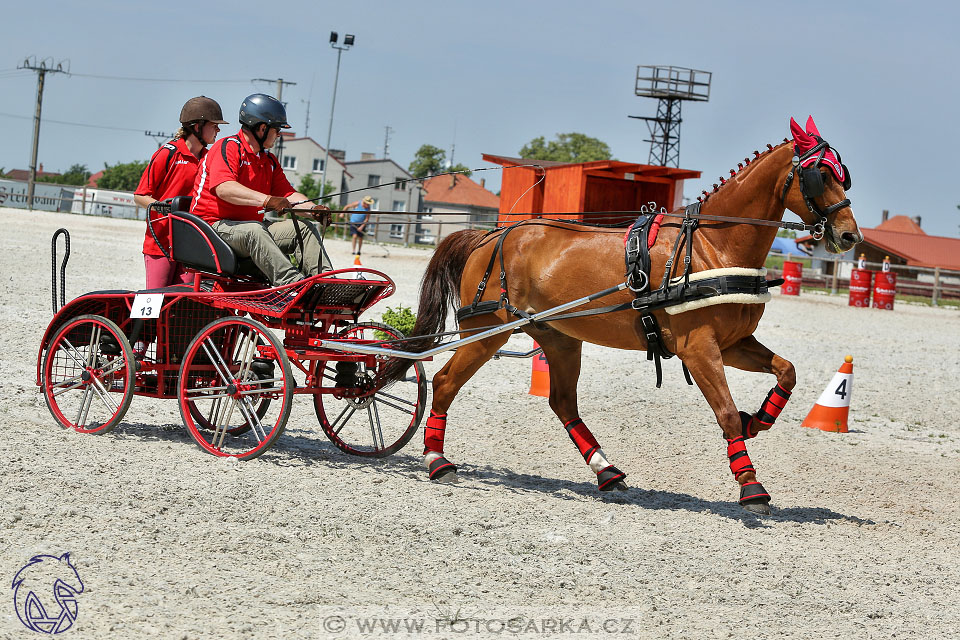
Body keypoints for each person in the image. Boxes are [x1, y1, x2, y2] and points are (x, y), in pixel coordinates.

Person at [190, 93, 331, 286]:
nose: (279, 134)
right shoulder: (229, 147)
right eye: (277, 129)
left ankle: (326, 283)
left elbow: (288, 195)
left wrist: (314, 210)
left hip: (249, 230)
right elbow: (224, 188)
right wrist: (267, 200)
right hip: (212, 228)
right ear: (262, 128)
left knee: (305, 228)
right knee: (254, 230)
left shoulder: (268, 160)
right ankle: (293, 285)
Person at [134, 96, 227, 289]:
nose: (218, 130)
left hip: (191, 244)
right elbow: (140, 195)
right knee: (154, 300)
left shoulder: (210, 159)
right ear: (197, 126)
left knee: (184, 303)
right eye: (214, 125)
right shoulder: (167, 154)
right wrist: (162, 208)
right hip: (160, 242)